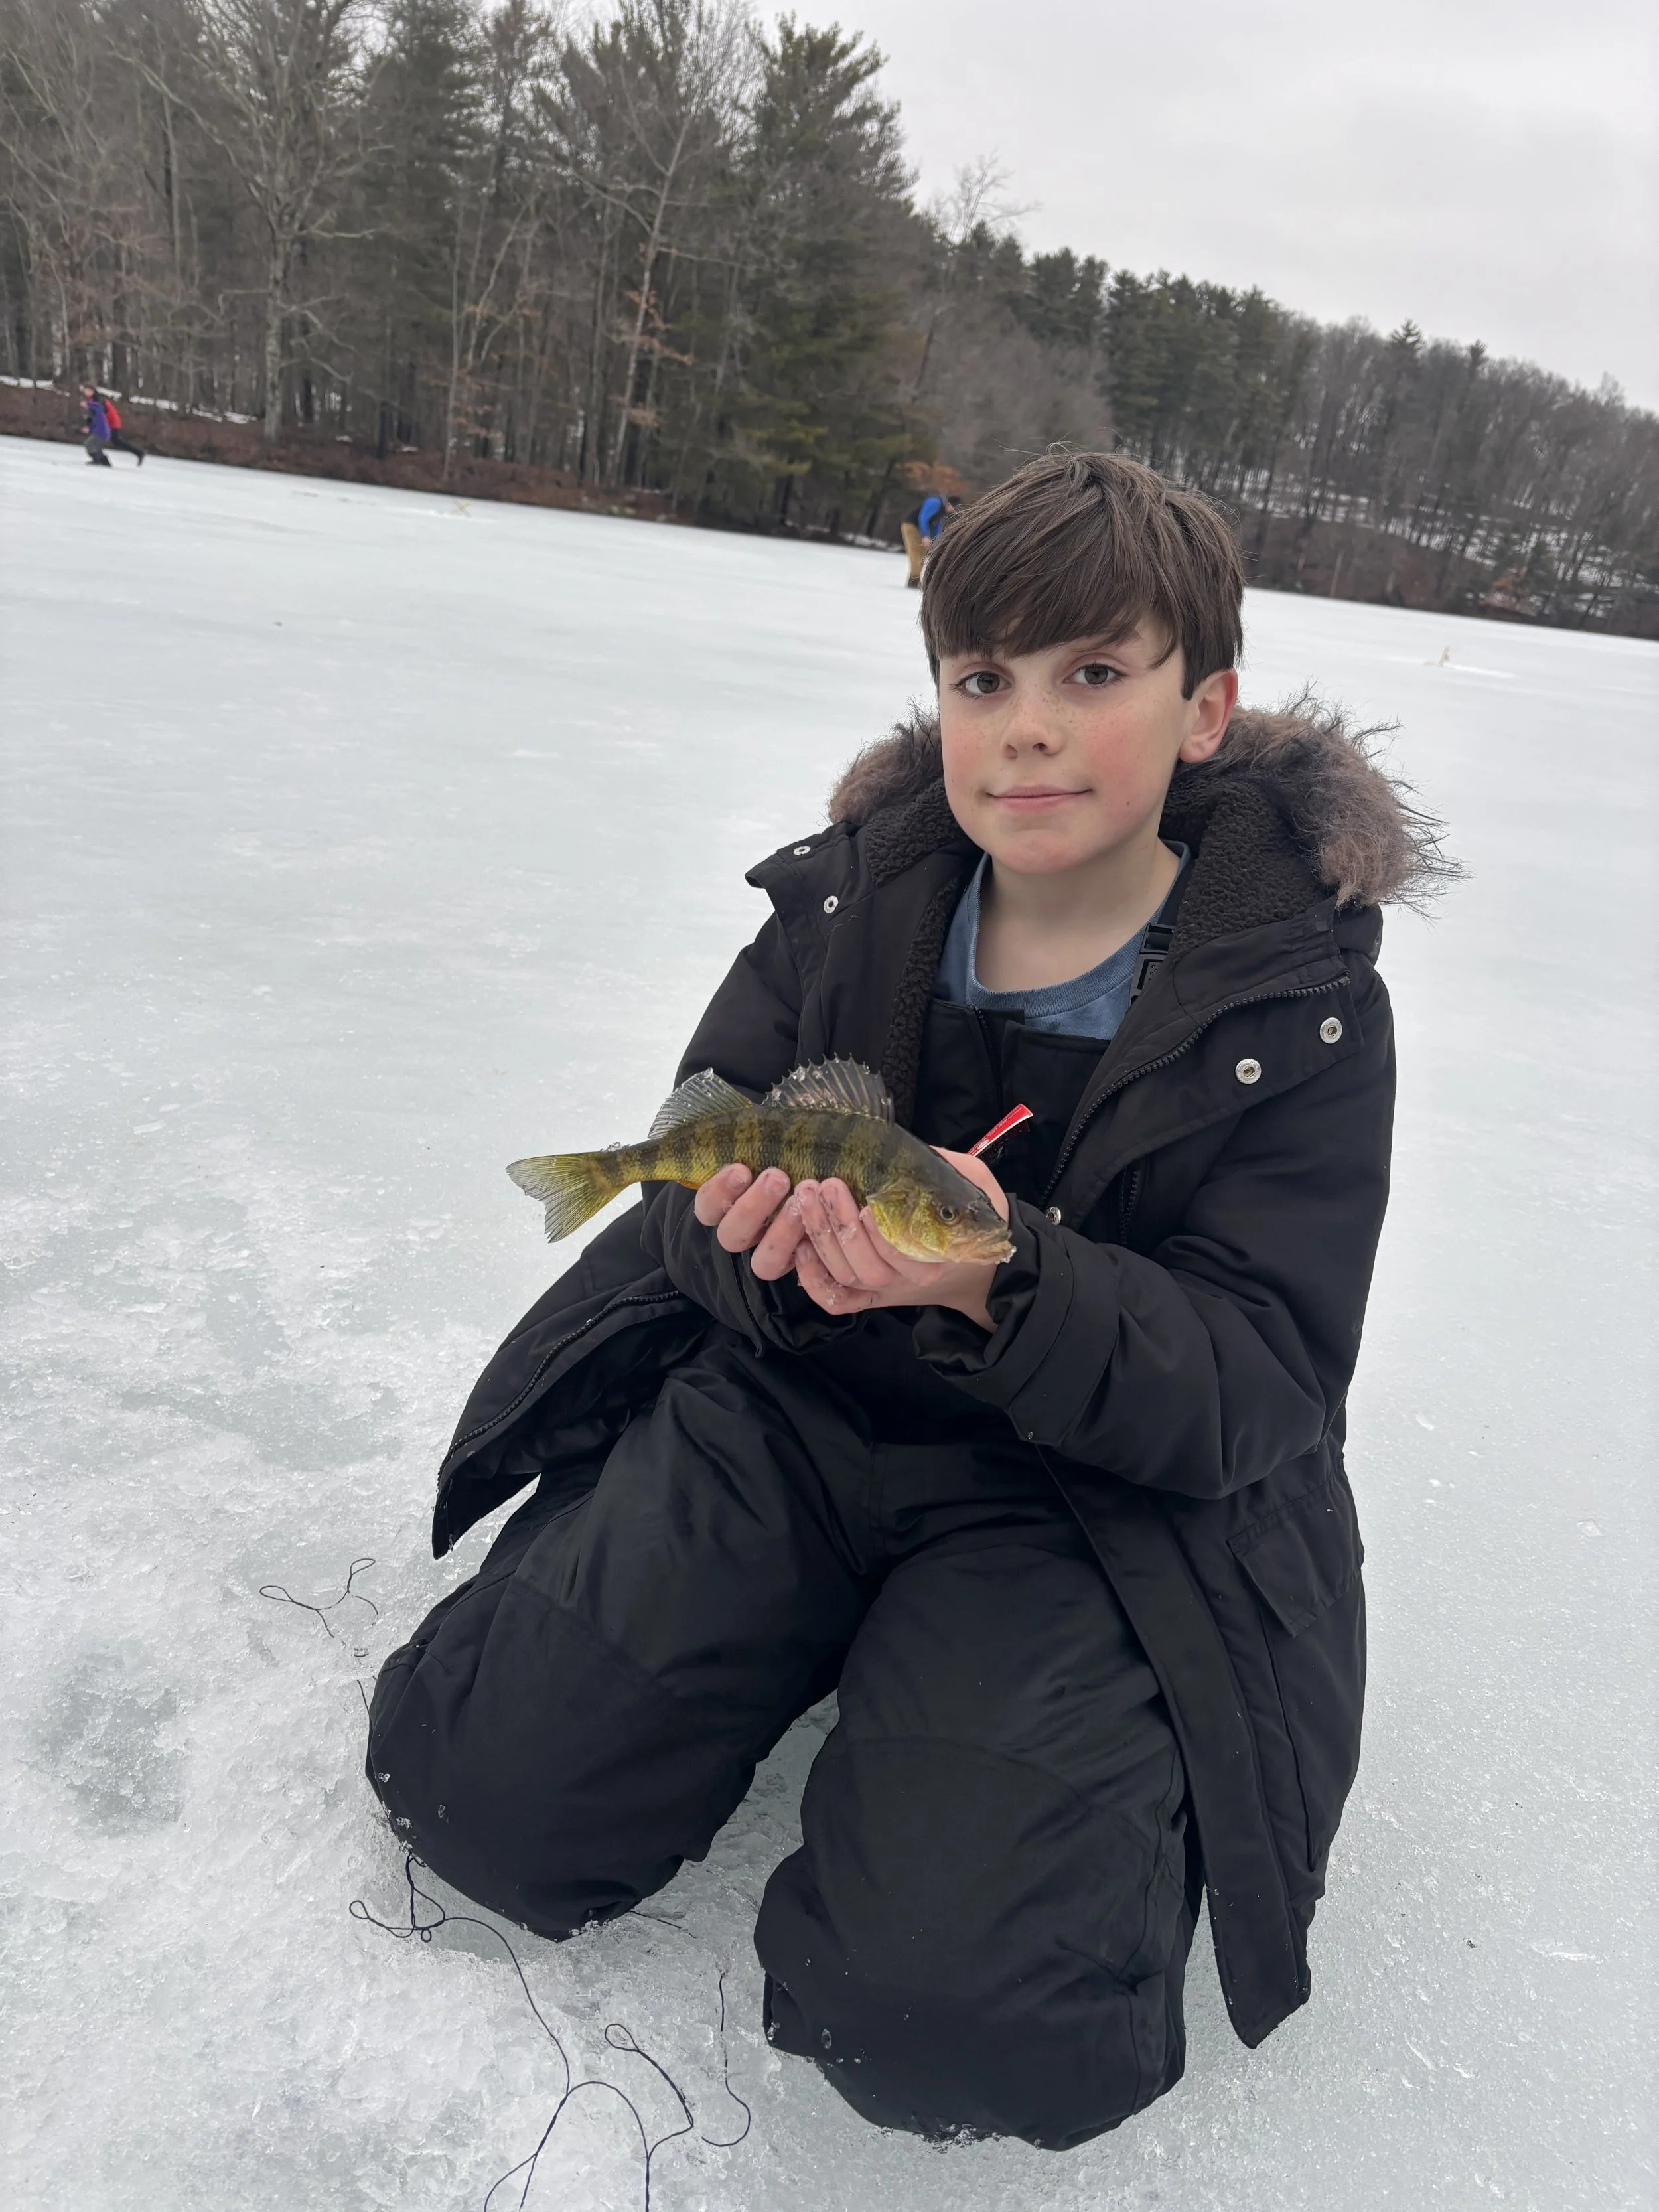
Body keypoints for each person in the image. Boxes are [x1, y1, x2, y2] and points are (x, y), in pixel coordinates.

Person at [367, 451, 1446, 2148]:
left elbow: (1259, 1381)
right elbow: (704, 1146)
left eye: (1094, 673)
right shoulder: (845, 907)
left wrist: (1013, 1282)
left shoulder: (1292, 1003)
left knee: (951, 2026)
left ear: (1204, 709)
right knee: (475, 1797)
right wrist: (752, 1248)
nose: (1025, 726)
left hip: (1089, 1496)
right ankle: (742, 1620)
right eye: (983, 677)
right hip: (796, 1405)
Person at [901, 488, 960, 586]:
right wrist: (926, 536)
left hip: (919, 528)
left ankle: (914, 579)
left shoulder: (942, 510)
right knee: (916, 552)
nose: (953, 511)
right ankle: (914, 581)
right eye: (954, 508)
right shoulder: (935, 503)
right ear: (949, 504)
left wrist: (937, 542)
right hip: (911, 526)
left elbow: (937, 527)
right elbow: (923, 519)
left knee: (922, 555)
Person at [81, 386, 111, 465]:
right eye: (85, 391)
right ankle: (104, 461)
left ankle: (99, 460)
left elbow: (98, 406)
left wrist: (88, 404)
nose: (86, 393)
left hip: (101, 431)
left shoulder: (97, 400)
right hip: (100, 430)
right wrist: (87, 427)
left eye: (87, 390)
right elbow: (91, 418)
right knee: (95, 446)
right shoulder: (93, 406)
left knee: (89, 444)